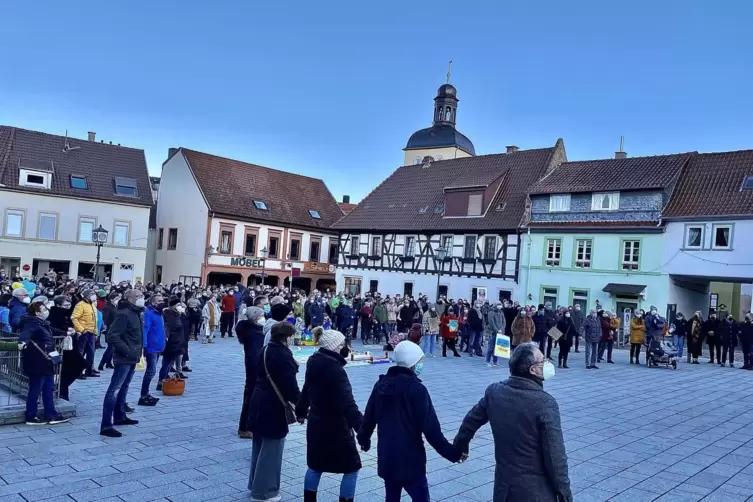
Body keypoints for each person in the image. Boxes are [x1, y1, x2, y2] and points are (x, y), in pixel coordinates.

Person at [453, 343, 572, 502]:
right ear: (532, 370)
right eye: (542, 362)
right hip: (536, 491)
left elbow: (470, 421)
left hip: (504, 489)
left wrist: (461, 445)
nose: (547, 365)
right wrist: (564, 492)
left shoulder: (495, 391)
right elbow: (555, 456)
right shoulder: (545, 403)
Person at [357, 341, 463, 502]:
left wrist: (363, 439)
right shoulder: (417, 390)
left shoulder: (381, 385)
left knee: (391, 497)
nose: (421, 364)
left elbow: (369, 418)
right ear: (413, 363)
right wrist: (453, 453)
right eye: (420, 361)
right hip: (411, 461)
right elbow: (432, 430)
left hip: (388, 457)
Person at [297, 328, 363, 502]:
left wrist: (301, 410)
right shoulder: (335, 369)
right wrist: (361, 428)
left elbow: (306, 388)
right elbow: (348, 403)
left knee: (315, 465)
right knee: (352, 467)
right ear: (335, 347)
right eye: (343, 344)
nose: (346, 347)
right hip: (336, 427)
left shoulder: (314, 361)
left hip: (316, 423)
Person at [247, 322, 301, 501]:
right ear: (286, 337)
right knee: (272, 449)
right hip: (272, 405)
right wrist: (300, 405)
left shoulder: (266, 349)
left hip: (258, 400)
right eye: (292, 335)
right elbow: (289, 386)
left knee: (259, 445)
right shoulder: (282, 355)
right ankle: (264, 491)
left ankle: (254, 484)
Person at [100, 289, 144, 438]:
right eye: (138, 296)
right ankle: (106, 424)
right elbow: (112, 336)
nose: (142, 298)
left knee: (124, 386)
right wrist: (127, 351)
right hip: (124, 357)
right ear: (130, 298)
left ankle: (120, 416)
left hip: (132, 356)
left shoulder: (136, 312)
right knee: (114, 388)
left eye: (142, 295)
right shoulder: (124, 314)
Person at [18, 301, 69, 425]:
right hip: (38, 360)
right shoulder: (32, 322)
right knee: (35, 389)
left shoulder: (42, 323)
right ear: (36, 312)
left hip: (46, 360)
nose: (45, 310)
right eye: (43, 309)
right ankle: (31, 416)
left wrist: (66, 332)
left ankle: (51, 414)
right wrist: (22, 342)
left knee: (48, 388)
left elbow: (51, 332)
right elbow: (25, 335)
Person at [237, 306, 265, 439]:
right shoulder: (253, 333)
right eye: (260, 316)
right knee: (251, 396)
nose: (262, 318)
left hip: (253, 367)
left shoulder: (254, 330)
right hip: (254, 368)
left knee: (250, 395)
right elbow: (254, 354)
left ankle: (248, 425)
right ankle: (245, 427)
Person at [140, 294, 165, 406]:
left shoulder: (159, 313)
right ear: (153, 302)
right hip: (151, 346)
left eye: (162, 300)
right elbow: (145, 329)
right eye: (159, 301)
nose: (162, 302)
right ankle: (144, 394)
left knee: (152, 371)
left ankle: (146, 393)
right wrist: (145, 345)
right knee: (151, 371)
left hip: (159, 346)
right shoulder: (149, 313)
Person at [158, 297, 185, 391]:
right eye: (178, 305)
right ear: (173, 306)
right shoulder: (169, 315)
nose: (180, 306)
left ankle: (164, 378)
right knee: (167, 363)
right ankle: (161, 381)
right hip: (172, 343)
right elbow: (169, 328)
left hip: (176, 342)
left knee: (169, 363)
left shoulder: (176, 314)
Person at [98, 292, 120, 371]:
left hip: (115, 329)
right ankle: (101, 363)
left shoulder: (115, 306)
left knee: (113, 348)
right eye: (116, 298)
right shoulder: (108, 307)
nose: (118, 300)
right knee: (110, 348)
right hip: (110, 329)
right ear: (112, 299)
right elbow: (106, 319)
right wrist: (105, 329)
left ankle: (108, 362)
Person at [486, 303, 506, 367]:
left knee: (497, 348)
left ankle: (495, 361)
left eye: (500, 305)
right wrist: (497, 330)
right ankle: (488, 361)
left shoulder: (501, 312)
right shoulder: (491, 313)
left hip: (500, 333)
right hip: (493, 332)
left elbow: (504, 321)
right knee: (490, 348)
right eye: (498, 305)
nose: (500, 306)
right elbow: (491, 323)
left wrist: (501, 329)